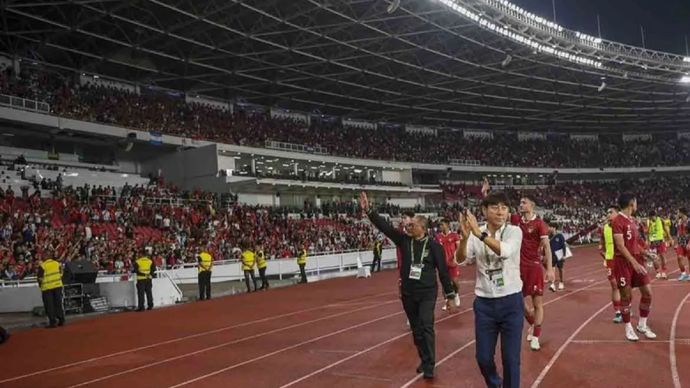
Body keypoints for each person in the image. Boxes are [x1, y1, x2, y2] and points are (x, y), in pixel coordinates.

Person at [360, 192, 456, 380]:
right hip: (408, 293)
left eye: (413, 225)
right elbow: (385, 227)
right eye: (408, 225)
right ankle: (424, 357)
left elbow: (443, 273)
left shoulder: (434, 246)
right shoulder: (404, 241)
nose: (408, 227)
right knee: (416, 329)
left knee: (426, 325)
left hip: (428, 293)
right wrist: (369, 211)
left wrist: (450, 295)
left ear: (423, 228)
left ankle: (430, 364)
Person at [456, 192, 523, 388]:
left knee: (511, 360)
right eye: (494, 207)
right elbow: (460, 259)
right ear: (484, 210)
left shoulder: (514, 231)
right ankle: (495, 384)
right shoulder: (475, 233)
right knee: (483, 358)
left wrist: (479, 234)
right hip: (485, 304)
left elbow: (505, 251)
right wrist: (464, 238)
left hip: (511, 301)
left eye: (504, 207)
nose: (500, 212)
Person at [612, 193, 656, 341]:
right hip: (623, 262)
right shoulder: (617, 221)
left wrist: (646, 254)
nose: (637, 205)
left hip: (636, 259)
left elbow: (635, 244)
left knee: (648, 293)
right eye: (636, 202)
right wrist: (634, 262)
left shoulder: (632, 221)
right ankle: (628, 328)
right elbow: (620, 245)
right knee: (626, 296)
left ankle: (642, 325)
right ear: (631, 203)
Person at [515, 196, 554, 351]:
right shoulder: (516, 220)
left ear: (532, 205)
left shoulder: (540, 224)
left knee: (537, 303)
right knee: (518, 302)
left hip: (534, 267)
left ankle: (536, 336)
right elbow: (497, 210)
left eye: (524, 202)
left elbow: (547, 247)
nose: (521, 204)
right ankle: (532, 323)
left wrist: (550, 269)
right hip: (518, 268)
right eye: (520, 202)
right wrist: (486, 193)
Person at [599, 205, 623, 323]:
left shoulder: (623, 226)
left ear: (617, 213)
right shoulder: (605, 228)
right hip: (611, 260)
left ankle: (626, 305)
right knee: (614, 285)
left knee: (625, 286)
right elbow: (602, 243)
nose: (608, 214)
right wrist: (604, 253)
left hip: (623, 259)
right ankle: (618, 311)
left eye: (611, 212)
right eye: (607, 212)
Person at [436, 218, 461, 310]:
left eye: (442, 224)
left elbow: (458, 248)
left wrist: (455, 259)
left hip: (453, 262)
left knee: (455, 282)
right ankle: (447, 302)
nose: (440, 227)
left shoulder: (454, 235)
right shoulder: (438, 237)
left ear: (447, 224)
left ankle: (456, 295)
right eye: (440, 225)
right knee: (444, 283)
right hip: (442, 263)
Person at [37, 255, 65, 328]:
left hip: (47, 288)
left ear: (45, 257)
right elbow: (61, 273)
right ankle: (61, 319)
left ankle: (52, 322)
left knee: (49, 306)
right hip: (57, 286)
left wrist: (40, 285)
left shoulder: (42, 266)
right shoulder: (57, 263)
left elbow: (40, 278)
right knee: (58, 304)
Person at [647, 210, 669, 279]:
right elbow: (647, 232)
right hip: (652, 242)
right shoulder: (649, 222)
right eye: (650, 218)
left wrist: (669, 238)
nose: (651, 218)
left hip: (660, 241)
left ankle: (664, 272)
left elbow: (665, 229)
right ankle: (658, 272)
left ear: (654, 216)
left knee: (662, 257)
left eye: (652, 217)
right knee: (653, 258)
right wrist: (647, 240)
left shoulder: (660, 220)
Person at [548, 222, 567, 291]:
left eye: (550, 227)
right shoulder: (548, 236)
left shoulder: (560, 236)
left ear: (554, 228)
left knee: (560, 269)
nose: (548, 228)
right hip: (552, 255)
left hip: (559, 254)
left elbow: (563, 246)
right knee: (552, 269)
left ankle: (561, 282)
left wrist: (564, 255)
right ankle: (553, 284)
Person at [675, 209, 690, 281]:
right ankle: (683, 273)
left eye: (678, 212)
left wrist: (689, 243)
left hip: (687, 242)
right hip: (680, 242)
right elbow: (678, 232)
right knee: (679, 257)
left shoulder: (689, 221)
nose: (677, 213)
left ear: (682, 213)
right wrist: (676, 242)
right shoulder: (679, 221)